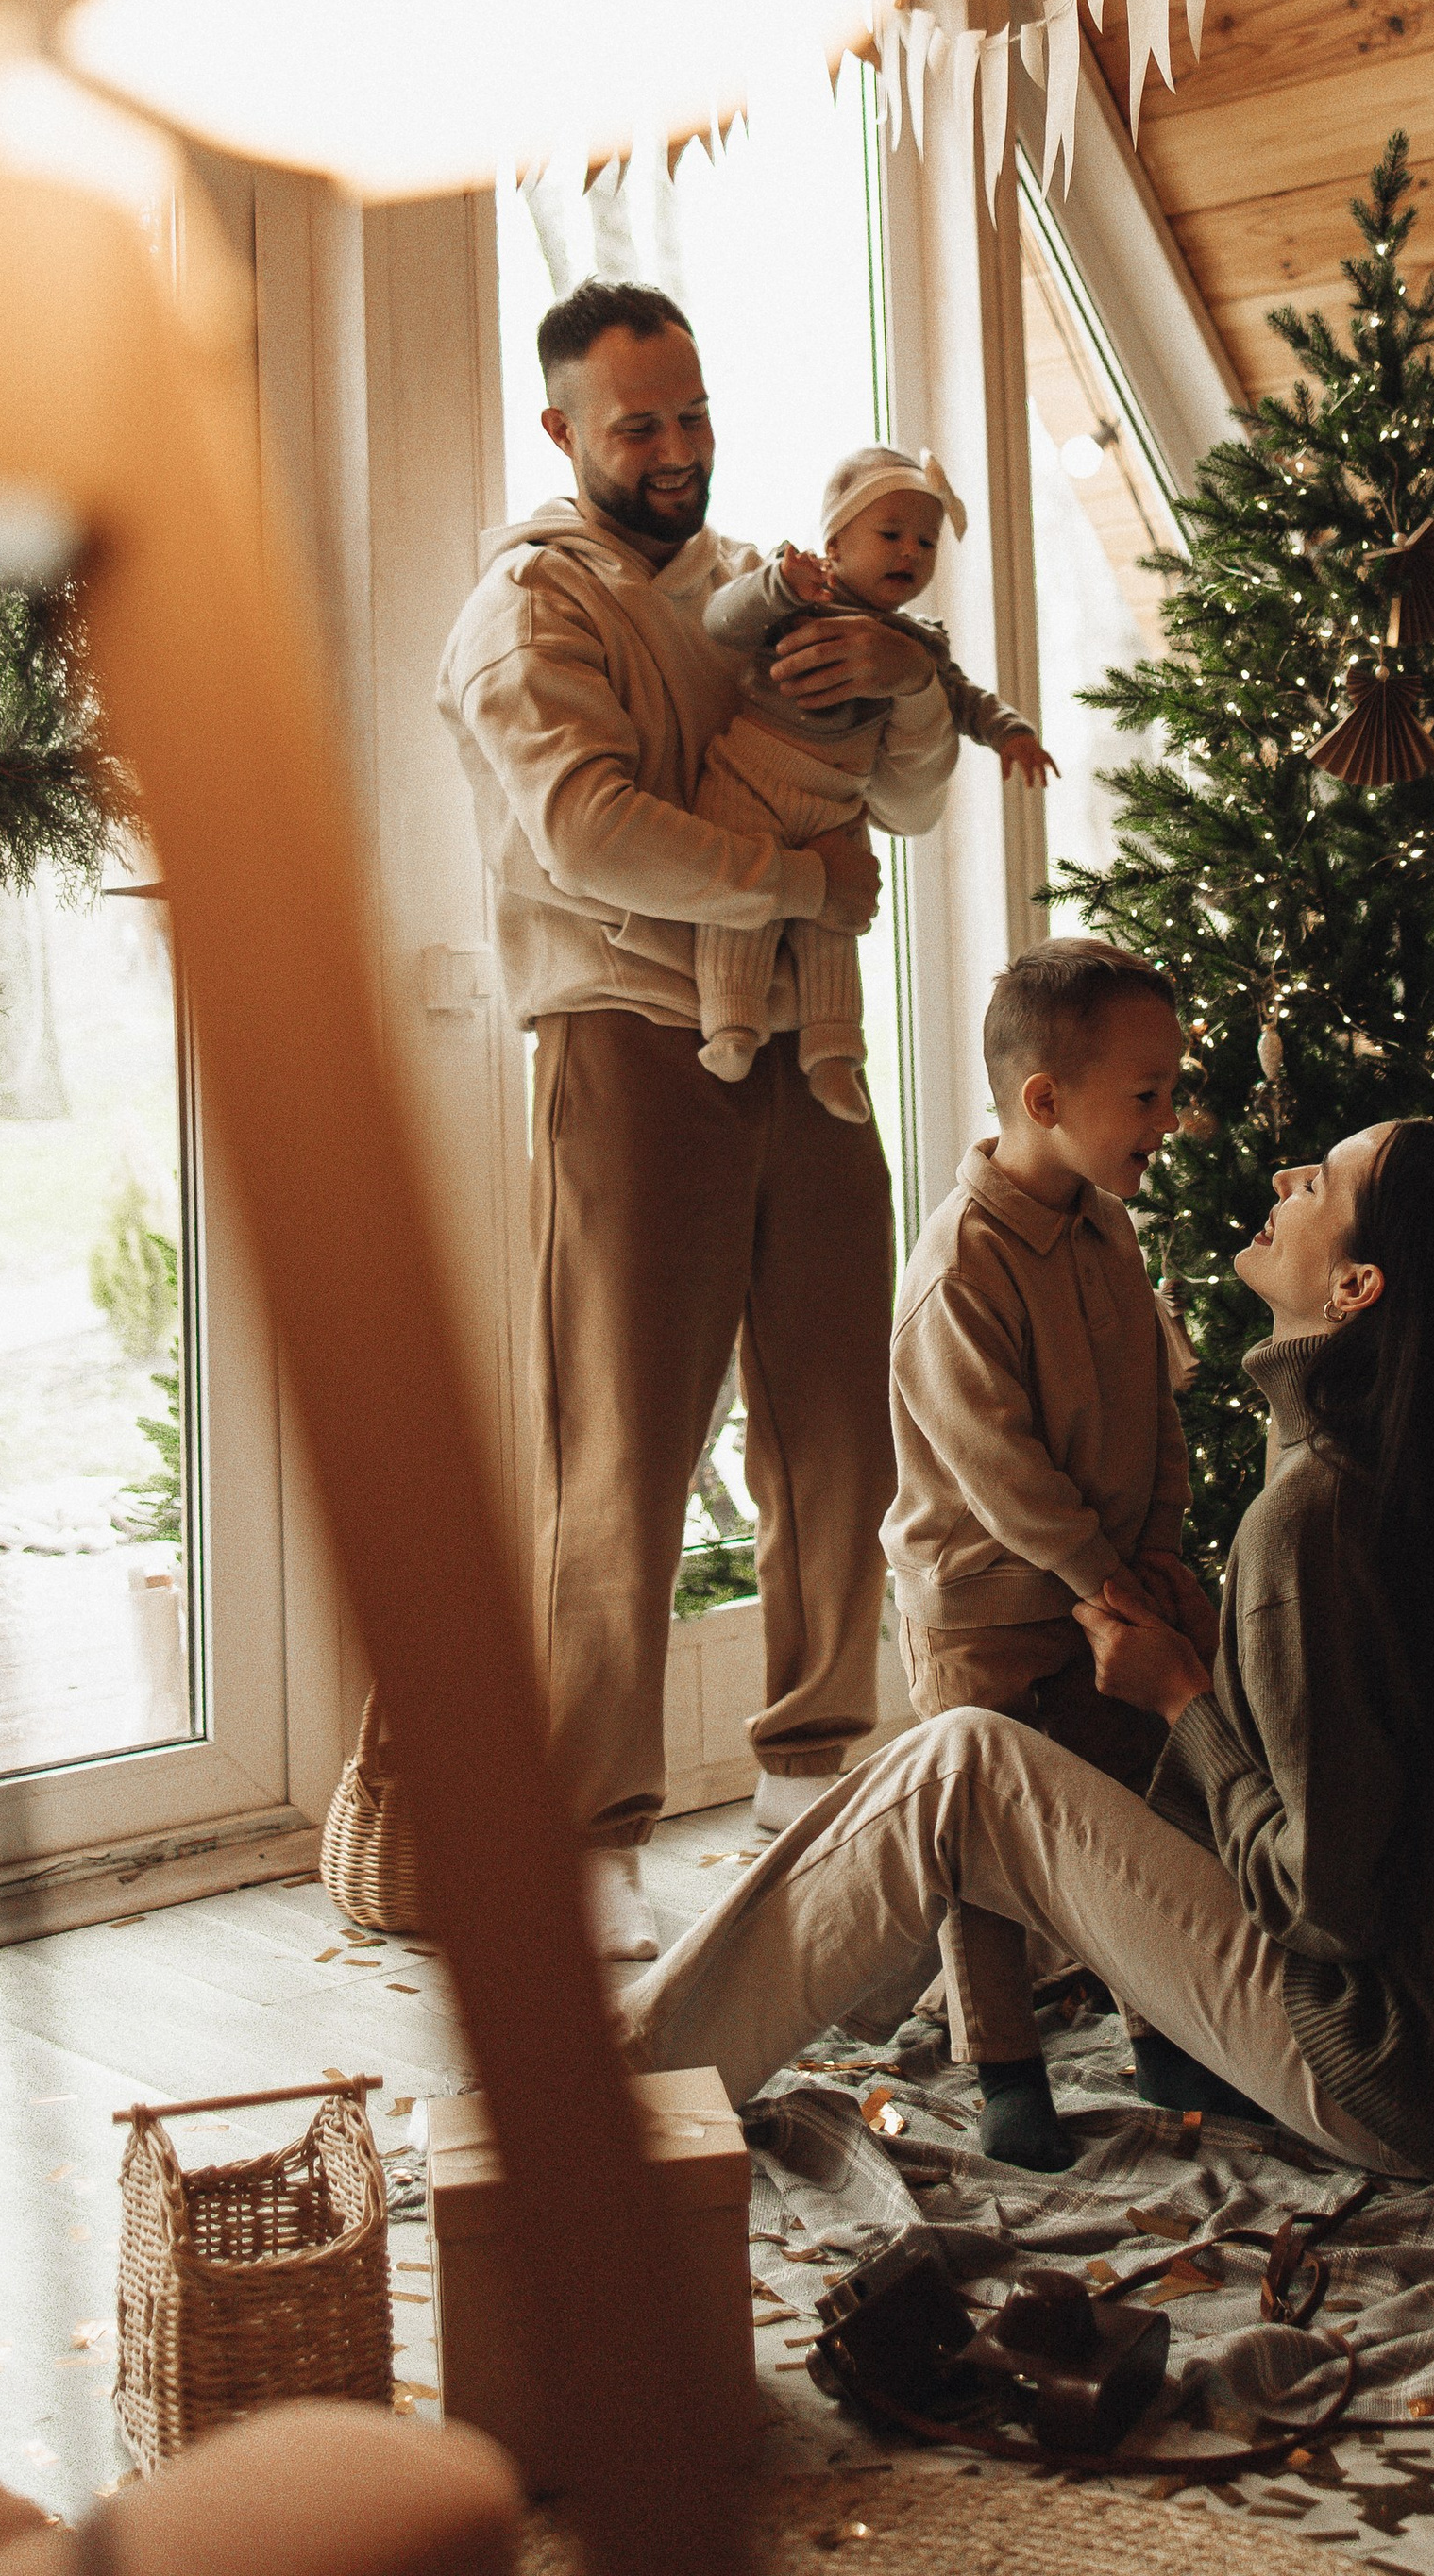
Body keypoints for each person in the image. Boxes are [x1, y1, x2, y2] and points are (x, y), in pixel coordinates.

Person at [626, 1115, 1434, 2198]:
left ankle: (610, 2090)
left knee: (960, 1763)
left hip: (1392, 2079)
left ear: (1355, 1291)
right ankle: (685, 2053)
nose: (1289, 1175)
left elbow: (1326, 1902)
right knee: (973, 1770)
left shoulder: (1315, 1513)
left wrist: (1181, 1700)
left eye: (1326, 1182)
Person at [436, 279, 959, 1960]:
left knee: (834, 1436)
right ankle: (585, 1855)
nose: (673, 447)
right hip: (628, 1053)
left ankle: (815, 1798)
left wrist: (905, 673)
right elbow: (590, 831)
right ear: (565, 433)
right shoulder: (528, 612)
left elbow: (913, 791)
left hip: (809, 1055)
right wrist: (798, 877)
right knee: (621, 1456)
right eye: (636, 423)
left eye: (692, 412)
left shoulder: (771, 586)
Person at [883, 939, 1202, 2162]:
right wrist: (1100, 1579)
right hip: (989, 1608)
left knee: (1131, 1812)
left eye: (1171, 1088)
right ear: (1045, 1100)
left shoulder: (1109, 1230)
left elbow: (1156, 1402)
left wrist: (1159, 1546)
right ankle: (1005, 2064)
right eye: (1148, 1094)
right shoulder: (958, 1267)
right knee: (986, 1844)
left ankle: (1163, 2026)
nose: (1169, 1118)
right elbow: (1001, 1471)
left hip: (1107, 1590)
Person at [697, 445, 1054, 1122]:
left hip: (838, 804)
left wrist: (1010, 732)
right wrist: (777, 582)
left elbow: (965, 700)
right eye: (890, 535)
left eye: (926, 542)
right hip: (753, 781)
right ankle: (730, 1024)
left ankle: (834, 1058)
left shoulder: (920, 644)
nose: (910, 554)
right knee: (740, 911)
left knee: (836, 931)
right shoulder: (801, 596)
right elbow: (720, 621)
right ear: (833, 541)